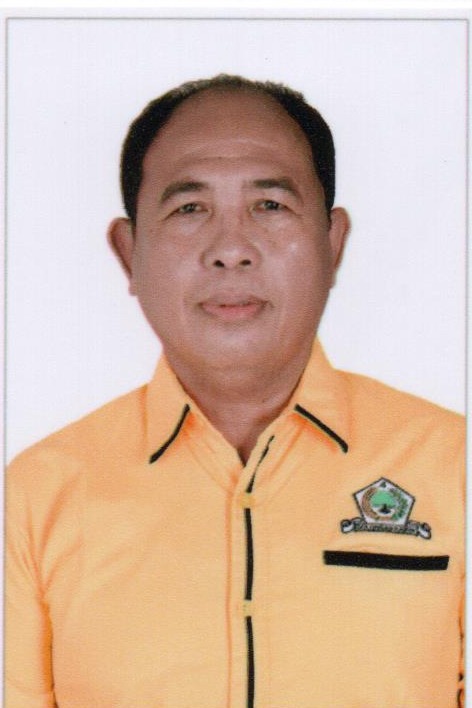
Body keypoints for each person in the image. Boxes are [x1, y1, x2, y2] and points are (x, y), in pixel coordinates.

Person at [6, 74, 464, 708]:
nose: (231, 250)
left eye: (270, 205)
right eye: (189, 208)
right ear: (129, 253)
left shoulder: (454, 468)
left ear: (333, 244)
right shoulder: (34, 498)